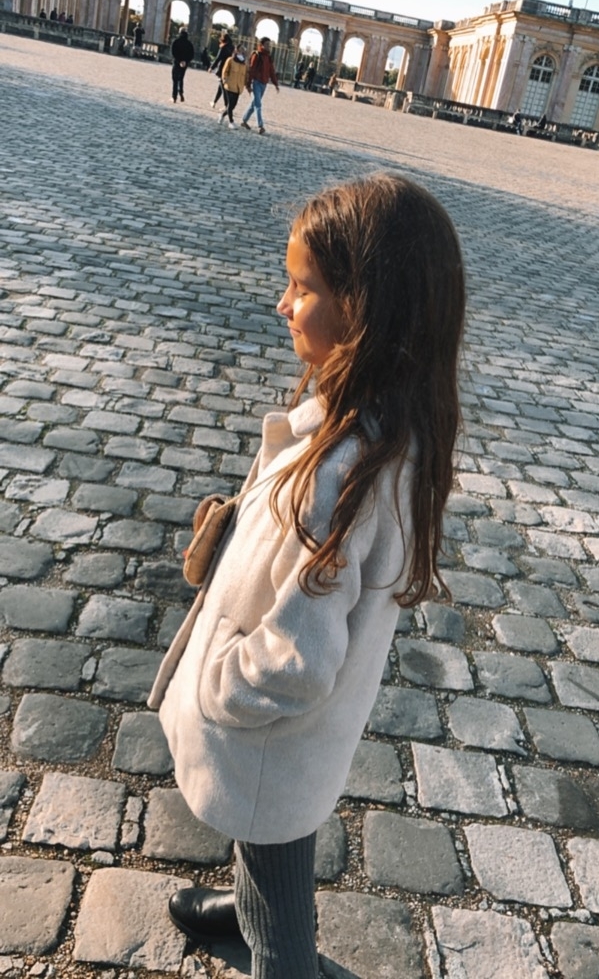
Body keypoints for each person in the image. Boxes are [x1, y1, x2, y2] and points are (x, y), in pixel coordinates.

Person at [149, 172, 466, 979]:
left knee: (275, 870)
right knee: (269, 844)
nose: (282, 304)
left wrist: (221, 683)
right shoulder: (381, 428)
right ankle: (251, 909)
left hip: (267, 737)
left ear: (364, 308)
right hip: (288, 751)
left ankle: (277, 951)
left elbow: (297, 660)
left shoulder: (339, 478)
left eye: (302, 288)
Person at [241, 36, 279, 135]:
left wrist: (275, 83)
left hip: (264, 84)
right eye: (267, 44)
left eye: (269, 45)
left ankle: (244, 120)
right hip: (256, 82)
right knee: (258, 104)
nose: (269, 46)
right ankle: (260, 126)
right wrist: (248, 84)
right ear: (261, 45)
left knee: (254, 103)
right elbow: (251, 70)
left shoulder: (269, 57)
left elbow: (271, 71)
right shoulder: (256, 55)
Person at [219, 43, 248, 129]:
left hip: (238, 87)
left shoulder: (244, 63)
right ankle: (231, 122)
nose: (242, 50)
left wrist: (246, 84)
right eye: (241, 49)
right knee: (230, 104)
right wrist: (224, 79)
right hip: (230, 85)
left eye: (243, 49)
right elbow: (225, 71)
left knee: (233, 106)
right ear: (237, 50)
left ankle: (222, 115)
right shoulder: (230, 60)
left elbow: (245, 75)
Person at [209, 32, 234, 109]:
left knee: (223, 87)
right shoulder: (232, 48)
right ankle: (214, 102)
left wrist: (212, 67)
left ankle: (226, 105)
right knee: (220, 87)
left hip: (222, 68)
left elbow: (218, 58)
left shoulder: (223, 47)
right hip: (229, 68)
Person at [171, 26, 194, 103]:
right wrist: (186, 61)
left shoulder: (176, 41)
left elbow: (173, 52)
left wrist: (179, 61)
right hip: (185, 64)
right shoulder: (189, 43)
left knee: (175, 79)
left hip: (177, 62)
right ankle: (181, 92)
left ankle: (174, 97)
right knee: (181, 78)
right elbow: (192, 54)